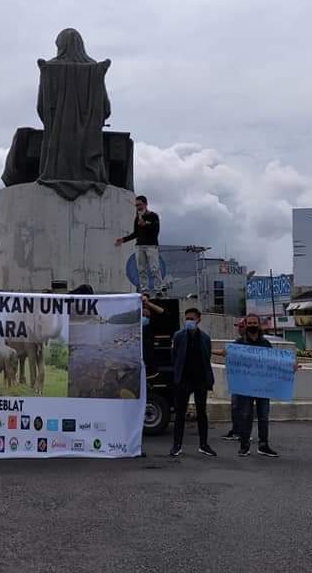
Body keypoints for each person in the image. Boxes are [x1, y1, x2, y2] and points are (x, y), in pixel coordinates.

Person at [216, 315, 279, 458]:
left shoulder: (265, 344)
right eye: (249, 323)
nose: (252, 325)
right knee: (246, 416)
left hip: (262, 387)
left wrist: (289, 367)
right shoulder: (239, 343)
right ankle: (244, 446)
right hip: (245, 387)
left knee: (263, 416)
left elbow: (275, 362)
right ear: (246, 325)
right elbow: (227, 353)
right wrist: (209, 351)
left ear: (259, 325)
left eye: (254, 323)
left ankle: (264, 445)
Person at [169, 308, 216, 458]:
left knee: (202, 413)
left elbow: (207, 357)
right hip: (183, 380)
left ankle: (204, 444)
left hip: (200, 380)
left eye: (192, 318)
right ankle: (177, 445)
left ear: (198, 319)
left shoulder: (205, 338)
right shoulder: (178, 336)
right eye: (187, 318)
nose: (189, 321)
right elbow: (174, 357)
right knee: (180, 414)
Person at [115, 195, 162, 297]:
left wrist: (145, 224)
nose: (138, 207)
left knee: (154, 268)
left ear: (145, 204)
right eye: (136, 205)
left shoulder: (153, 216)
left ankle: (158, 290)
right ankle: (144, 290)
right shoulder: (137, 218)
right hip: (139, 246)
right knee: (141, 269)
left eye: (139, 205)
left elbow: (156, 231)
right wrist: (123, 239)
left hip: (151, 246)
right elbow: (135, 233)